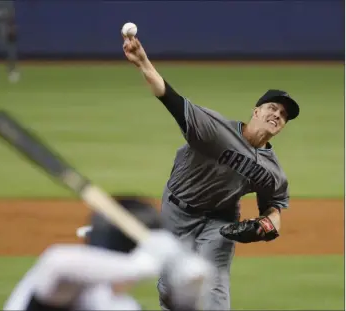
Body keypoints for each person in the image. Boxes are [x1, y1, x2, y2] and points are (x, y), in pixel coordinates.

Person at [122, 36, 300, 310]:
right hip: (177, 209)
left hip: (220, 218)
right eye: (272, 108)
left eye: (284, 115)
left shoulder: (271, 171)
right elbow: (169, 98)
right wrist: (143, 62)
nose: (277, 115)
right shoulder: (215, 130)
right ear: (256, 111)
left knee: (215, 282)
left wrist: (263, 226)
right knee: (171, 288)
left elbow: (274, 212)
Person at [4, 197, 211, 311]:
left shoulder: (120, 306)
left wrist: (187, 298)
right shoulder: (69, 287)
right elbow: (57, 263)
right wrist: (140, 266)